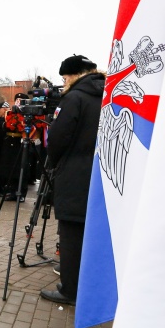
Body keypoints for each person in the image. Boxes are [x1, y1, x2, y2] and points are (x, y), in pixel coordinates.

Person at [39, 54, 105, 305]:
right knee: (92, 233)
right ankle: (91, 285)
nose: (64, 82)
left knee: (71, 234)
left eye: (65, 77)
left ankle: (71, 289)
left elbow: (56, 139)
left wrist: (55, 163)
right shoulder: (109, 94)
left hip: (75, 175)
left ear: (74, 75)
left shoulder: (74, 98)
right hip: (103, 175)